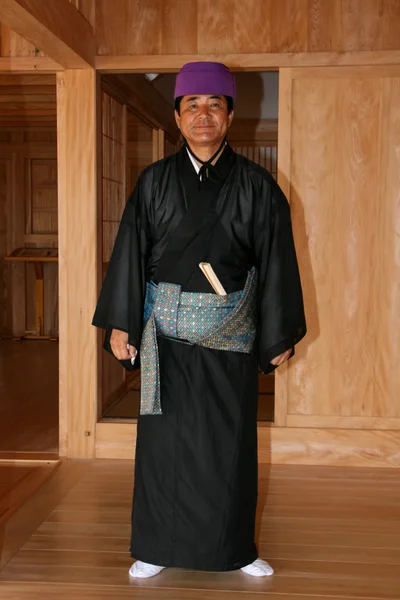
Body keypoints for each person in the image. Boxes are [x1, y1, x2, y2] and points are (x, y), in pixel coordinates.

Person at [92, 62, 306, 579]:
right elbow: (130, 255)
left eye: (214, 104)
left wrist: (277, 332)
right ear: (177, 116)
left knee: (228, 444)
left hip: (229, 335)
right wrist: (121, 323)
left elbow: (277, 258)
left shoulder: (257, 186)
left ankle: (236, 549)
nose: (203, 114)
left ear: (231, 115)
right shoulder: (154, 183)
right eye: (192, 105)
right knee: (164, 446)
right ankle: (154, 547)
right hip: (166, 335)